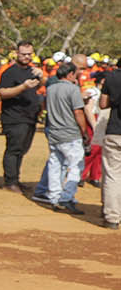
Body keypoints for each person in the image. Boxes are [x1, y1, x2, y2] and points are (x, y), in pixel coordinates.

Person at [32, 61, 91, 214]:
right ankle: (66, 198)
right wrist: (84, 133)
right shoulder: (73, 89)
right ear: (70, 74)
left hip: (54, 132)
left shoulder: (51, 88)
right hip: (70, 134)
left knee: (55, 164)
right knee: (76, 166)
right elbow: (78, 112)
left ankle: (54, 197)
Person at [0, 42, 44, 190]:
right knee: (14, 149)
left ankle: (16, 179)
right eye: (23, 54)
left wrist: (41, 77)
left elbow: (44, 85)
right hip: (14, 118)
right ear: (17, 53)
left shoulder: (32, 71)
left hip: (30, 117)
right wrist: (23, 87)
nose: (26, 57)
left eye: (29, 54)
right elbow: (3, 93)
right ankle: (9, 182)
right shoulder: (9, 72)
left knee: (22, 149)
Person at [100, 62, 121, 229]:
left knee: (113, 176)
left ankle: (112, 217)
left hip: (115, 131)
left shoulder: (111, 77)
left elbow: (103, 104)